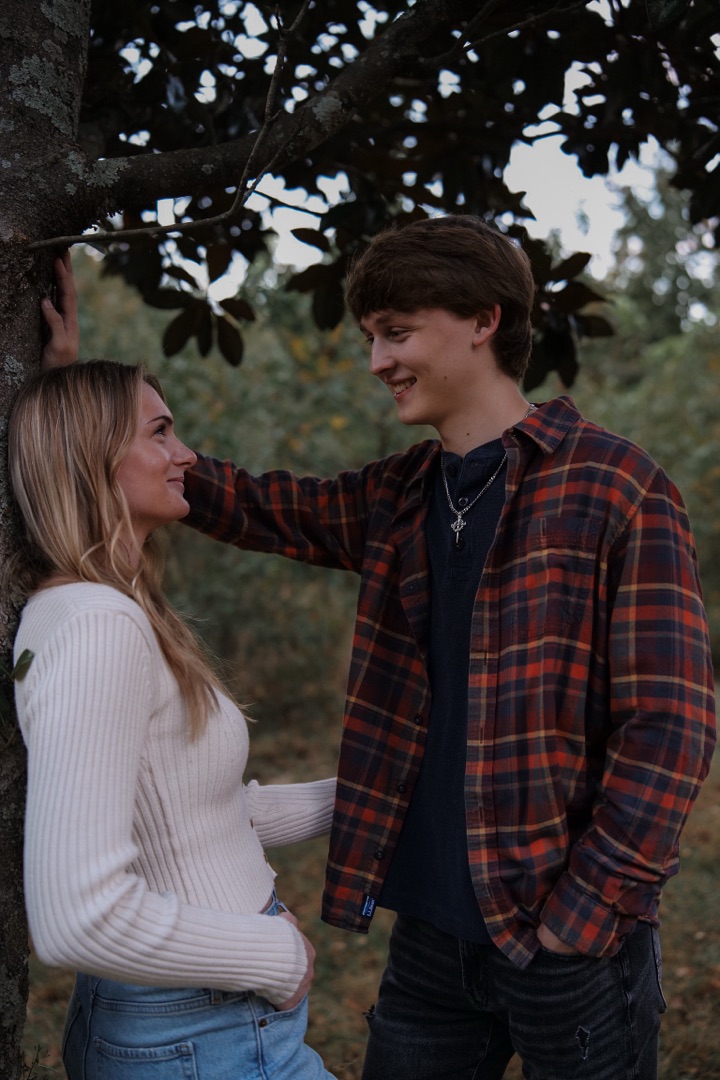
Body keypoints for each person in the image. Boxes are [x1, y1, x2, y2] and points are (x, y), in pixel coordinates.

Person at [43, 217, 716, 1080]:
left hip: (570, 946)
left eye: (396, 333)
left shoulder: (617, 486)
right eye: (369, 338)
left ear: (483, 320)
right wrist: (80, 403)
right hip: (430, 936)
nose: (376, 362)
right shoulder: (399, 495)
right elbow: (247, 501)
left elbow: (670, 727)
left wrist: (579, 919)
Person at [9, 354, 338, 1080]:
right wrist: (275, 955)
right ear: (91, 456)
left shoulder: (108, 609)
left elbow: (189, 817)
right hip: (204, 1031)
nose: (185, 453)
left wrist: (351, 801)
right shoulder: (97, 626)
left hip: (199, 1023)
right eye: (160, 432)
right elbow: (77, 915)